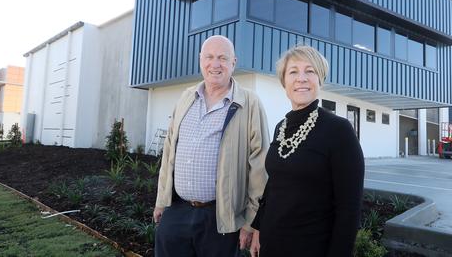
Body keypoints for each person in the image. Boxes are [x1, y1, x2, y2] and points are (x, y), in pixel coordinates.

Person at [153, 35, 270, 257]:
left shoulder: (249, 103)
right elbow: (169, 151)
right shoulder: (186, 97)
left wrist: (251, 221)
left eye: (222, 58)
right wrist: (161, 201)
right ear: (200, 60)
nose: (214, 64)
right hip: (177, 211)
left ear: (233, 62)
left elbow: (260, 165)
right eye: (209, 57)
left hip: (220, 219)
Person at [250, 45, 364, 257]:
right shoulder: (281, 127)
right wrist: (258, 228)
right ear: (284, 81)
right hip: (272, 244)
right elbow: (274, 184)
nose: (301, 78)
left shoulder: (339, 130)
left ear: (320, 79)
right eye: (293, 71)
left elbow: (349, 209)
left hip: (311, 247)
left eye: (309, 71)